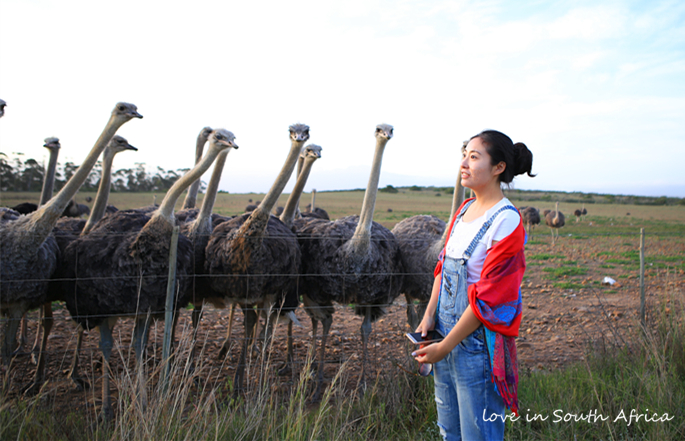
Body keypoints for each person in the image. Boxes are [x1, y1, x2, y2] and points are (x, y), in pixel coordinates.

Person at [413, 129, 534, 440]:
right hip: (444, 335)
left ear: (498, 168)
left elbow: (490, 298)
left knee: (478, 435)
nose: (464, 164)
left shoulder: (506, 221)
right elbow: (443, 266)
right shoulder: (464, 211)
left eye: (474, 157)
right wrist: (428, 317)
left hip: (476, 346)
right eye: (464, 155)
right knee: (449, 431)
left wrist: (446, 346)